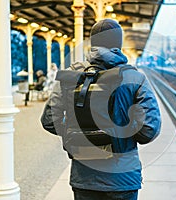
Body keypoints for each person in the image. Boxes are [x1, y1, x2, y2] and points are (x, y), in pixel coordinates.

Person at [40, 19, 161, 200]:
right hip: (124, 178)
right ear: (118, 44)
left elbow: (49, 120)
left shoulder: (72, 75)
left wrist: (77, 131)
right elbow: (148, 131)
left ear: (93, 43)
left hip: (84, 178)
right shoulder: (135, 78)